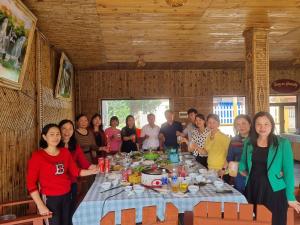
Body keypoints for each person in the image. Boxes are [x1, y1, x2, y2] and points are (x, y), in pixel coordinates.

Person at [26, 124, 99, 225]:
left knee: (68, 222)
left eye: (57, 134)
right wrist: (40, 205)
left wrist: (93, 171)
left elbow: (76, 171)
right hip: (50, 199)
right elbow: (31, 184)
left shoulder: (65, 152)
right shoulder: (37, 156)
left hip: (67, 196)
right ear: (44, 137)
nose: (55, 137)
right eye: (51, 134)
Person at [239, 111, 300, 225]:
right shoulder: (249, 142)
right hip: (253, 187)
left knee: (275, 220)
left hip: (274, 190)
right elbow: (243, 163)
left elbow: (288, 172)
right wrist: (240, 168)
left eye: (266, 124)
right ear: (254, 126)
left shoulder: (282, 143)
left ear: (272, 125)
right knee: (255, 220)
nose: (262, 127)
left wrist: (290, 197)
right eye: (259, 124)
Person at [58, 119, 97, 223]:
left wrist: (98, 167)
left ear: (73, 131)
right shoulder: (54, 146)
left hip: (72, 182)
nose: (67, 131)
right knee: (58, 215)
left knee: (71, 210)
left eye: (70, 129)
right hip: (58, 185)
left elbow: (85, 163)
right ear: (59, 130)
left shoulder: (75, 146)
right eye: (64, 128)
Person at [220, 114, 251, 193]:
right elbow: (229, 158)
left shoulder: (257, 140)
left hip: (253, 175)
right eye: (238, 124)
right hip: (238, 176)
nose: (241, 126)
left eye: (244, 123)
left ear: (250, 124)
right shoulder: (234, 140)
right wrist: (223, 170)